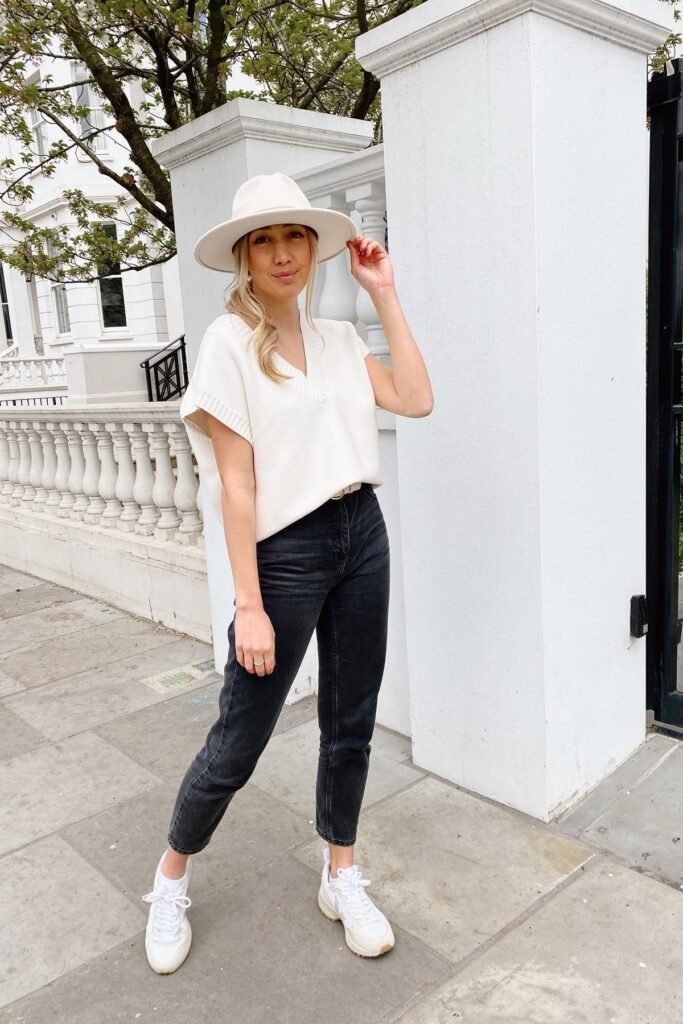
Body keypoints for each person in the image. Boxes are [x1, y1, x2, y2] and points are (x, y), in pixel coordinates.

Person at [141, 172, 433, 974]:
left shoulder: (340, 339)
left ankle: (341, 874)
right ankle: (170, 879)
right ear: (242, 256)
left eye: (294, 236)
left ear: (314, 248)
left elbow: (415, 398)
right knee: (241, 737)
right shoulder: (228, 344)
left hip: (359, 534)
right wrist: (248, 605)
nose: (281, 253)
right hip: (284, 554)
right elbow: (235, 484)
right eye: (263, 240)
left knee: (351, 721)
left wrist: (384, 293)